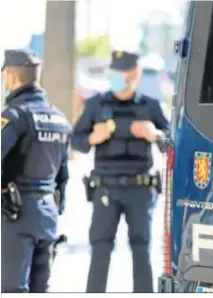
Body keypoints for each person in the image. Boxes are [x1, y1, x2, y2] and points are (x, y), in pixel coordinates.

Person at [71, 50, 169, 293]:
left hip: (140, 189)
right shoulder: (96, 105)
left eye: (125, 74)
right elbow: (75, 140)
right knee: (100, 250)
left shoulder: (151, 105)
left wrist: (155, 134)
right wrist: (93, 137)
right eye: (115, 73)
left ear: (135, 75)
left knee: (142, 250)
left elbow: (171, 141)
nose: (119, 78)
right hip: (106, 189)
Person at [1, 49, 72, 292]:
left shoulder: (14, 116)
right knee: (40, 289)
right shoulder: (60, 119)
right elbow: (63, 177)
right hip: (48, 217)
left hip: (15, 216)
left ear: (11, 77)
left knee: (12, 290)